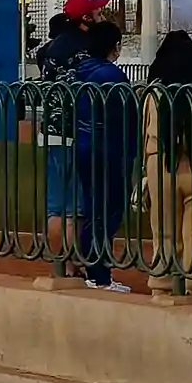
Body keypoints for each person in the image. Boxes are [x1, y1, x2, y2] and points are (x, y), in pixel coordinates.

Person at [143, 30, 192, 289]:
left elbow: (145, 135)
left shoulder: (155, 95)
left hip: (161, 163)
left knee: (163, 228)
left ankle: (162, 278)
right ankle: (191, 281)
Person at [72, 20, 140, 292]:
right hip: (110, 150)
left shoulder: (80, 71)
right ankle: (99, 274)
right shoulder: (111, 76)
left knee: (93, 209)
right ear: (114, 45)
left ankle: (94, 270)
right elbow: (126, 115)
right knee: (108, 211)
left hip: (86, 146)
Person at [39, 0, 109, 256]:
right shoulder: (86, 47)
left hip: (52, 129)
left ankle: (60, 263)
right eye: (97, 13)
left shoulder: (55, 45)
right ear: (85, 18)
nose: (100, 17)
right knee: (76, 207)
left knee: (56, 206)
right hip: (78, 132)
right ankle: (75, 262)